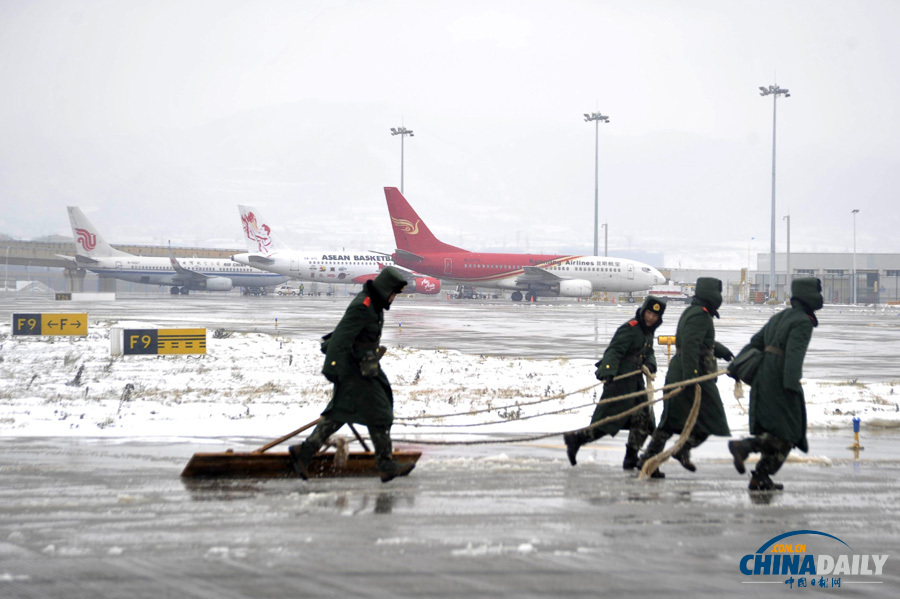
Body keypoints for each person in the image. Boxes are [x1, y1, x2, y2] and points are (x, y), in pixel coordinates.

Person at [288, 266, 414, 483]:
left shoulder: (374, 305)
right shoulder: (363, 307)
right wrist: (333, 368)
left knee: (341, 412)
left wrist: (373, 351)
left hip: (364, 368)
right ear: (384, 290)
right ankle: (385, 464)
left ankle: (305, 451)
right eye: (393, 294)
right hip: (353, 371)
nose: (393, 298)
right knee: (380, 413)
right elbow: (340, 338)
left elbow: (361, 339)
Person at [727, 277, 823, 491]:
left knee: (775, 430)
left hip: (763, 378)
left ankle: (760, 477)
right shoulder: (802, 321)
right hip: (780, 380)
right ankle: (745, 447)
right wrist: (791, 386)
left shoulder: (780, 316)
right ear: (810, 296)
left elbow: (755, 343)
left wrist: (736, 366)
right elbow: (794, 355)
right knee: (788, 433)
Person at [638, 277, 734, 478]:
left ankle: (647, 459)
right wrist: (692, 377)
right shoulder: (700, 315)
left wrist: (722, 351)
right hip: (691, 376)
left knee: (670, 423)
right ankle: (681, 449)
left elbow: (701, 342)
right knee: (712, 419)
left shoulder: (696, 312)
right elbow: (690, 345)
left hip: (683, 374)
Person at [564, 296, 667, 470]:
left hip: (635, 384)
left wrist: (650, 363)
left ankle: (631, 458)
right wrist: (609, 372)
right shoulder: (630, 328)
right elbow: (614, 351)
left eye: (655, 315)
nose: (650, 317)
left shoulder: (648, 331)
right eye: (649, 313)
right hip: (620, 382)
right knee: (606, 422)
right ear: (643, 311)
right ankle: (576, 439)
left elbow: (648, 352)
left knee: (643, 421)